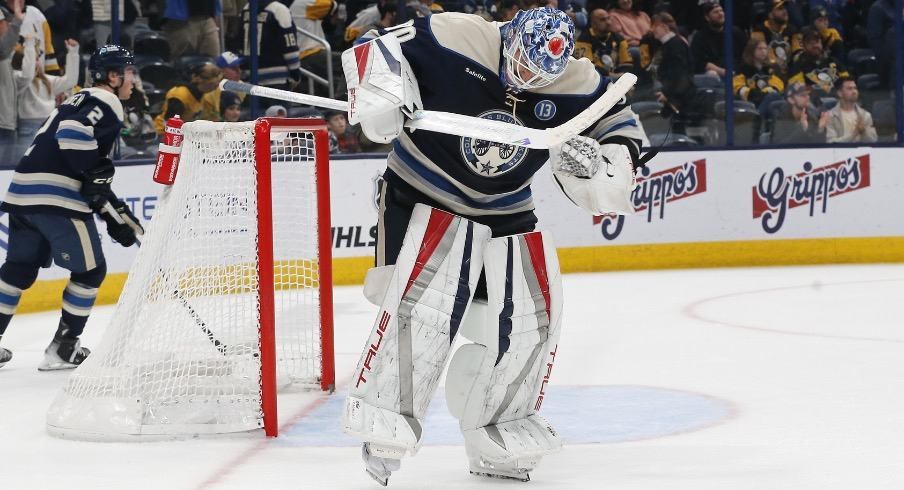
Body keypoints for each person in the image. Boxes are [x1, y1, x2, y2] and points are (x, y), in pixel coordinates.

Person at [339, 7, 645, 485]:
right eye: (519, 63)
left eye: (536, 76)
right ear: (511, 35)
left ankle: (497, 427)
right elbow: (374, 45)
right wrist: (384, 91)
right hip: (421, 188)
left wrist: (609, 160)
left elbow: (619, 123)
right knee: (418, 310)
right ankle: (386, 430)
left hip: (505, 207)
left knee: (523, 324)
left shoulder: (577, 80)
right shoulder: (454, 34)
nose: (522, 80)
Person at [0, 45, 144, 370]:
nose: (133, 79)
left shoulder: (76, 99)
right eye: (129, 72)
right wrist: (100, 186)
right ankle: (63, 350)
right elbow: (73, 138)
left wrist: (112, 207)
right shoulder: (106, 101)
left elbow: (87, 174)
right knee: (91, 271)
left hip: (23, 193)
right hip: (56, 198)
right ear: (112, 75)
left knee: (17, 271)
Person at [12, 37, 80, 161]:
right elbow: (27, 75)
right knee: (24, 170)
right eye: (32, 60)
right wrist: (30, 45)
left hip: (50, 128)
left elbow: (70, 81)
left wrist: (73, 52)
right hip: (27, 130)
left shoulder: (47, 81)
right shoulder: (18, 79)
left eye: (37, 60)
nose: (36, 63)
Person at [240, 0, 301, 96]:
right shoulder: (279, 10)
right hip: (278, 80)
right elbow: (290, 46)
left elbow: (238, 43)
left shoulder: (246, 9)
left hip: (251, 78)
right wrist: (296, 74)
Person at [153, 62, 222, 135]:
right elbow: (169, 124)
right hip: (162, 134)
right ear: (202, 81)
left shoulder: (202, 94)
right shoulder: (180, 95)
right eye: (212, 85)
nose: (215, 89)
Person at [786, 27, 849, 101]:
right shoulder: (798, 65)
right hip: (814, 102)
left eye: (817, 41)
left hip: (839, 100)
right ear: (804, 46)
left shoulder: (833, 61)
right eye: (810, 42)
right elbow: (798, 91)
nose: (815, 45)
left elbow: (848, 83)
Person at [689, 2, 747, 79]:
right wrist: (724, 72)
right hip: (717, 74)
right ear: (707, 17)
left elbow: (746, 54)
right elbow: (700, 63)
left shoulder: (736, 32)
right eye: (715, 12)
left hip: (739, 72)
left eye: (721, 11)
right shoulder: (700, 37)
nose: (720, 14)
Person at [574, 8, 632, 78]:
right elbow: (587, 67)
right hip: (594, 80)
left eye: (608, 18)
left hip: (618, 77)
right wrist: (612, 76)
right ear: (593, 24)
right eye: (602, 20)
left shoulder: (619, 38)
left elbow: (627, 63)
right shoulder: (583, 40)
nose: (608, 22)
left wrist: (623, 78)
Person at [0, 2, 24, 166]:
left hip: (7, 125)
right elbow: (3, 48)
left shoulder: (4, 58)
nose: (8, 26)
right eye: (5, 23)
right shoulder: (2, 53)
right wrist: (17, 20)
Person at [750, 0, 800, 76]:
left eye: (784, 8)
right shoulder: (759, 31)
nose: (785, 12)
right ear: (770, 15)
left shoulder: (793, 30)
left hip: (790, 75)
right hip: (767, 75)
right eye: (780, 9)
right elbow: (757, 57)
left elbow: (798, 54)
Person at [825, 76, 877, 143]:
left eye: (855, 88)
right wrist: (852, 136)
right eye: (849, 89)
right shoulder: (831, 116)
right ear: (840, 93)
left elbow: (874, 142)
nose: (854, 91)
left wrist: (863, 131)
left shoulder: (865, 115)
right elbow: (830, 143)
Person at [200, 51, 246, 122]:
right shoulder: (209, 92)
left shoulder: (241, 87)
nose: (239, 71)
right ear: (221, 71)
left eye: (239, 67)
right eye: (233, 68)